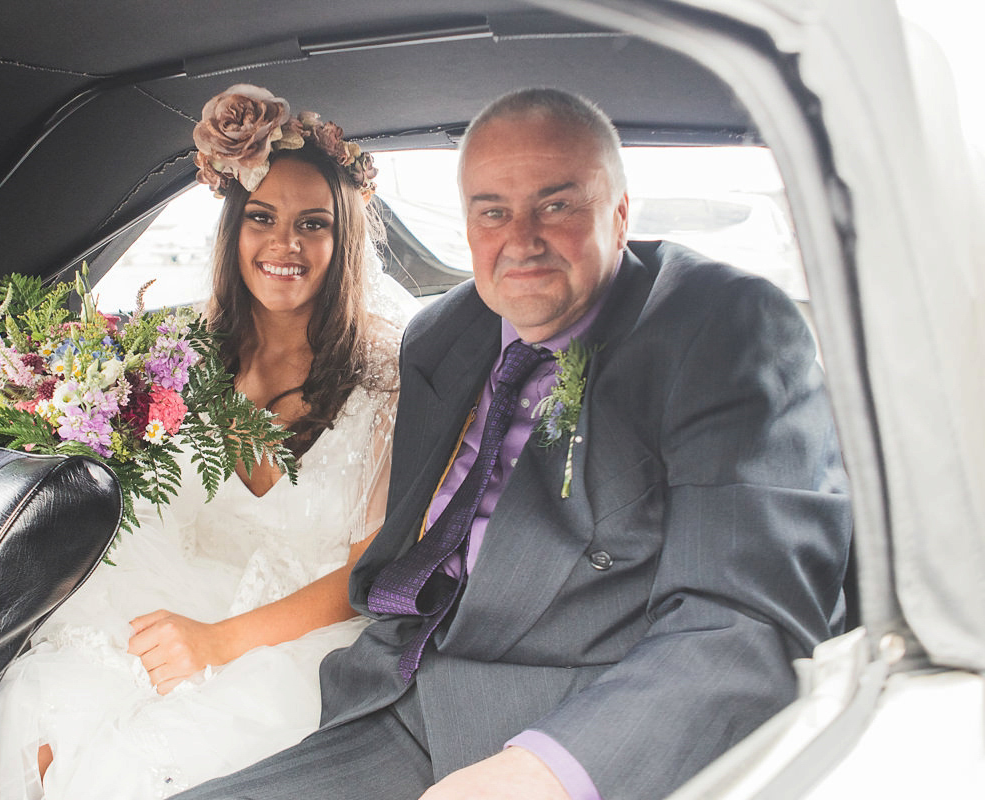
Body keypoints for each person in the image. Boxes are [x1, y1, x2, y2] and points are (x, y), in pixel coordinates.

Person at [172, 89, 852, 800]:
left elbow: (744, 628)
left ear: (621, 215)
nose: (521, 238)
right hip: (388, 700)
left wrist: (551, 769)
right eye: (493, 211)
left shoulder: (723, 331)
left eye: (557, 205)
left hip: (570, 721)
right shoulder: (442, 336)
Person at [0, 84, 417, 800]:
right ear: (233, 230)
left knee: (130, 773)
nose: (285, 245)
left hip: (303, 639)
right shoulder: (179, 355)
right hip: (170, 594)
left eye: (313, 223)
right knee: (44, 718)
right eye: (264, 218)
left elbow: (369, 571)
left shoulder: (389, 380)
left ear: (344, 238)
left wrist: (217, 643)